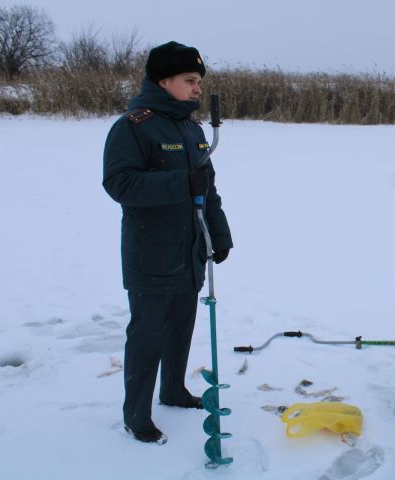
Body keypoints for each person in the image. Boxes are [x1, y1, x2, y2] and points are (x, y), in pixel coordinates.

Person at [103, 41, 233, 444]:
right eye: (189, 80)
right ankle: (136, 414)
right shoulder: (133, 127)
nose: (197, 88)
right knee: (148, 335)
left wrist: (220, 233)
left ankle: (173, 390)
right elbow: (120, 184)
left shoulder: (192, 130)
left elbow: (207, 191)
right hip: (152, 254)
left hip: (190, 250)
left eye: (199, 82)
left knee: (181, 327)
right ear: (164, 81)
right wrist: (180, 182)